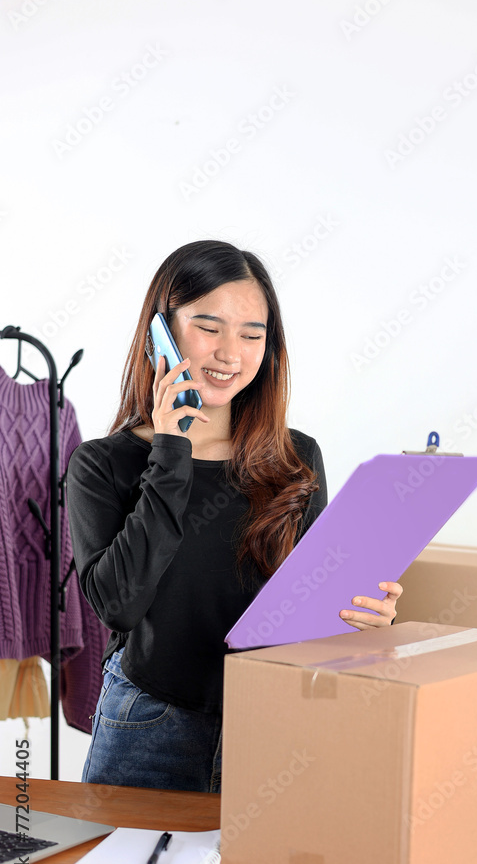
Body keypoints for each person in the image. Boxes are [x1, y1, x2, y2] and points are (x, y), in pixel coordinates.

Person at [67, 240, 403, 793]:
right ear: (162, 334)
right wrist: (171, 450)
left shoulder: (295, 458)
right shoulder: (105, 463)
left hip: (272, 724)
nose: (230, 353)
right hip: (150, 722)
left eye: (251, 334)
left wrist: (366, 617)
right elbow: (120, 605)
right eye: (209, 327)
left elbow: (313, 606)